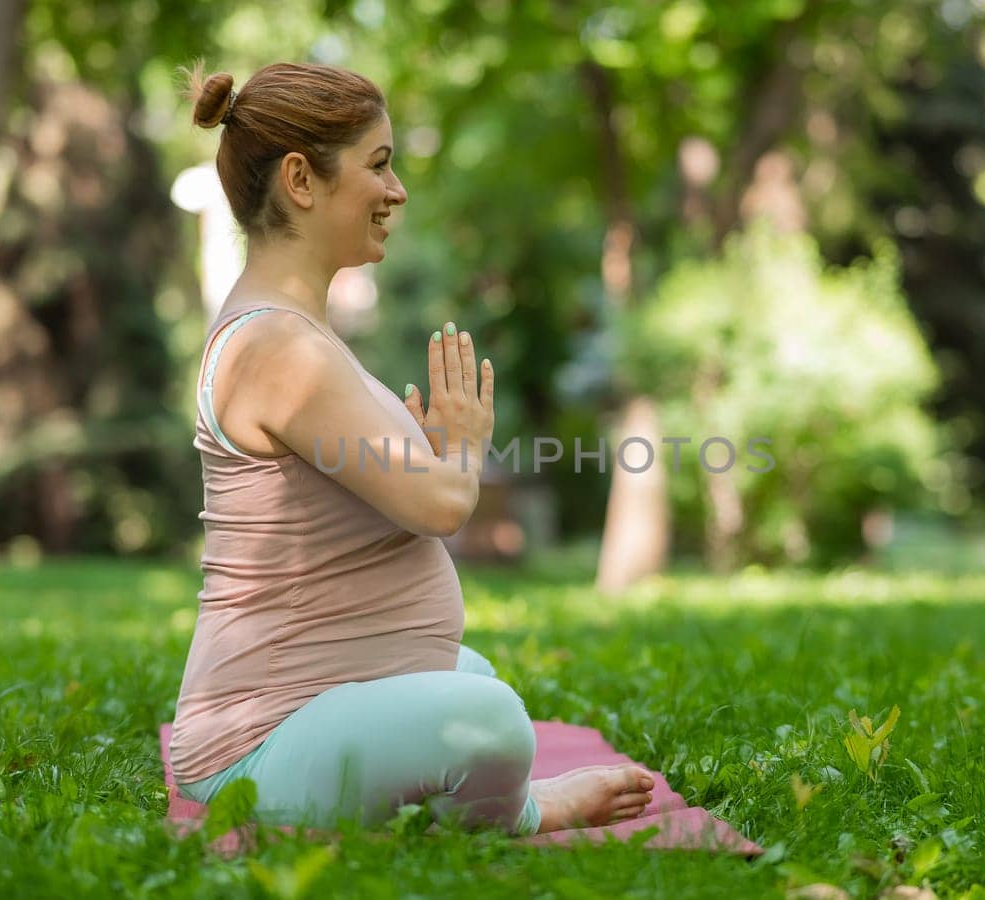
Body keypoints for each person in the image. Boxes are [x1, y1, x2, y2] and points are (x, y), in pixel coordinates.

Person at [168, 61, 655, 837]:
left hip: (312, 702)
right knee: (488, 720)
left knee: (470, 676)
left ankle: (467, 808)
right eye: (379, 165)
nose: (396, 193)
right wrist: (459, 447)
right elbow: (440, 506)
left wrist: (428, 450)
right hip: (255, 744)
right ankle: (523, 815)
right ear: (301, 179)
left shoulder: (297, 333)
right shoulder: (278, 348)